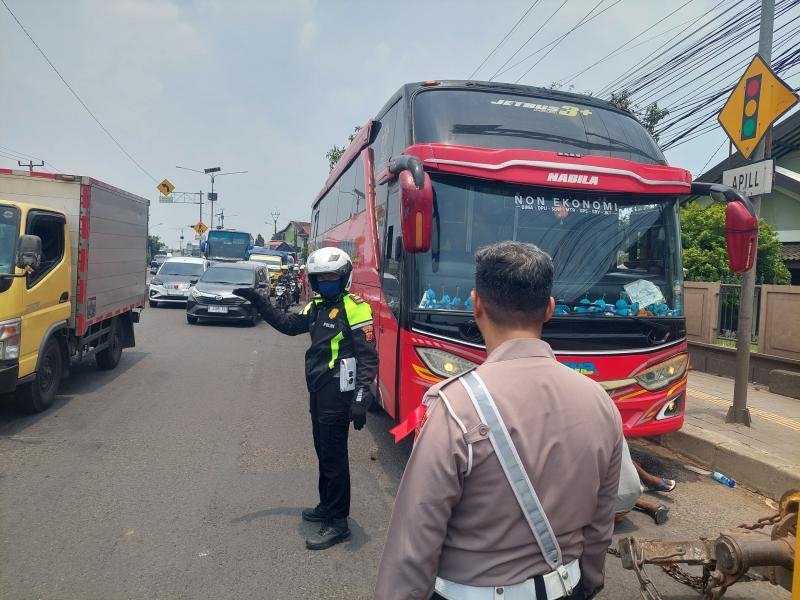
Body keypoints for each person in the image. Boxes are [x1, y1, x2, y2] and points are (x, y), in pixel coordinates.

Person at [374, 241, 623, 600]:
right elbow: (601, 524)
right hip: (565, 587)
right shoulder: (600, 402)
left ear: (476, 304)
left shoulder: (454, 407)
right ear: (549, 309)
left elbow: (414, 540)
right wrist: (589, 583)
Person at [233, 247, 378, 550]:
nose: (325, 283)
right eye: (319, 278)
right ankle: (326, 505)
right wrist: (259, 301)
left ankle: (338, 522)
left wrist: (361, 399)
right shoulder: (316, 306)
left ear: (343, 278)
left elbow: (368, 358)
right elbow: (289, 325)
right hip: (318, 389)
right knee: (323, 451)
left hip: (339, 392)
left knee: (334, 456)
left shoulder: (357, 308)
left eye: (331, 278)